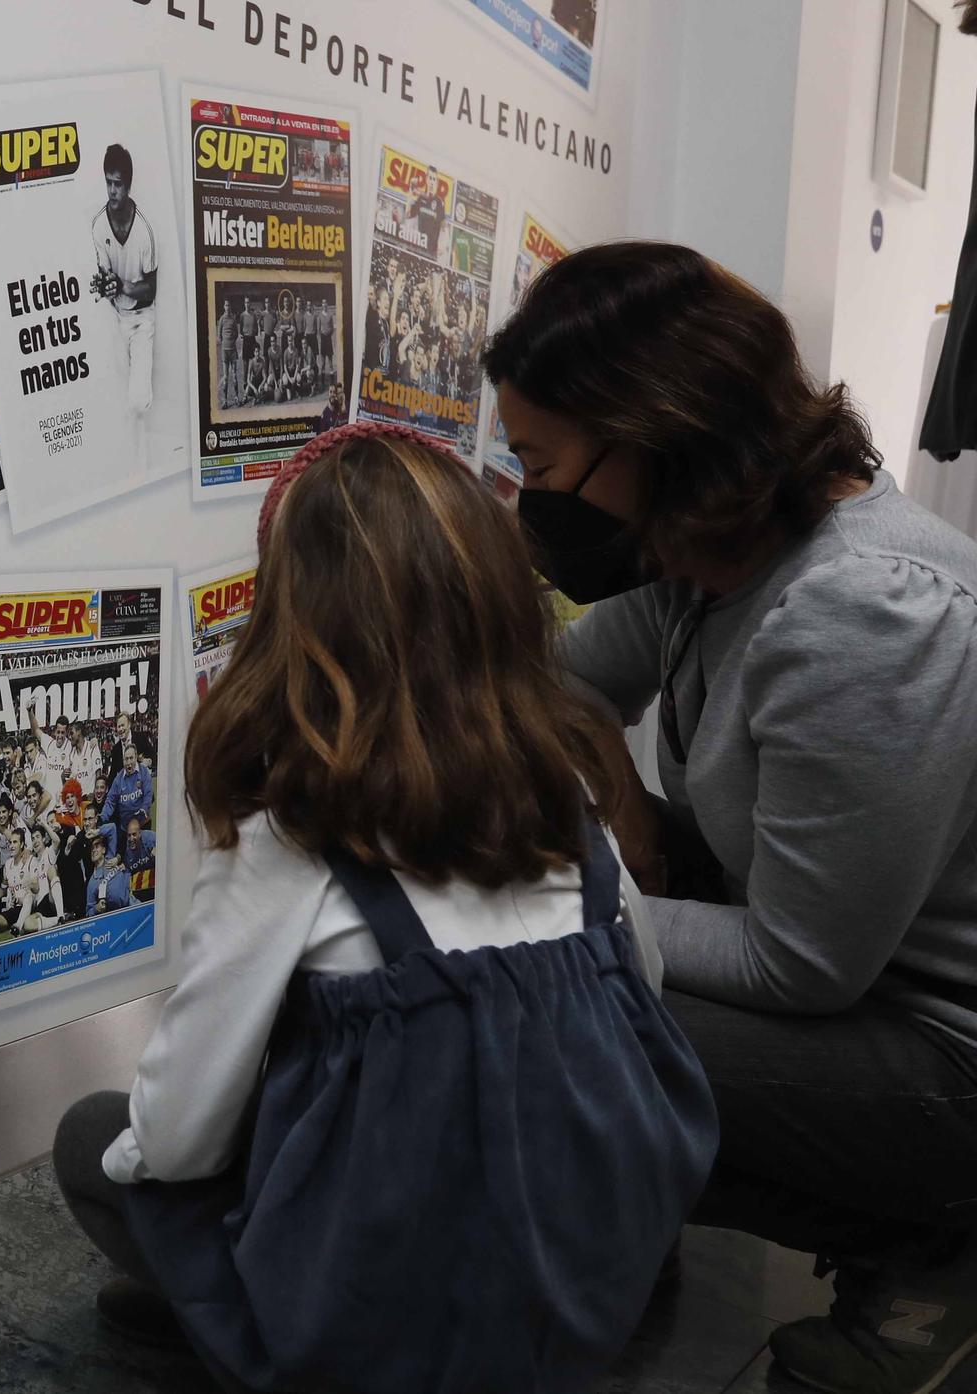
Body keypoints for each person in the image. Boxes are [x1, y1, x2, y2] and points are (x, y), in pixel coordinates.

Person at [54, 420, 712, 1392]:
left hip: (388, 1329)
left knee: (90, 1139)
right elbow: (641, 991)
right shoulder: (565, 796)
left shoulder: (291, 835)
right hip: (591, 1280)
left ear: (291, 621)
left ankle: (231, 1318)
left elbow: (181, 1132)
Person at [487, 239, 977, 1392]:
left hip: (944, 1059)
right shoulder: (709, 560)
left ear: (657, 434)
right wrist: (619, 808)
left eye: (546, 465)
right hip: (858, 990)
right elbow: (551, 688)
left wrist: (574, 901)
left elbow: (799, 964)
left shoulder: (861, 610)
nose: (536, 503)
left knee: (527, 1022)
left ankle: (929, 1250)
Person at [89, 143, 157, 443]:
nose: (112, 190)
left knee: (138, 401)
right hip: (115, 317)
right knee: (114, 399)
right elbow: (105, 276)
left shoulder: (144, 231)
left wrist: (124, 286)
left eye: (118, 184)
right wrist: (104, 285)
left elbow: (151, 291)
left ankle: (144, 450)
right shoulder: (97, 226)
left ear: (128, 185)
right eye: (108, 182)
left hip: (141, 318)